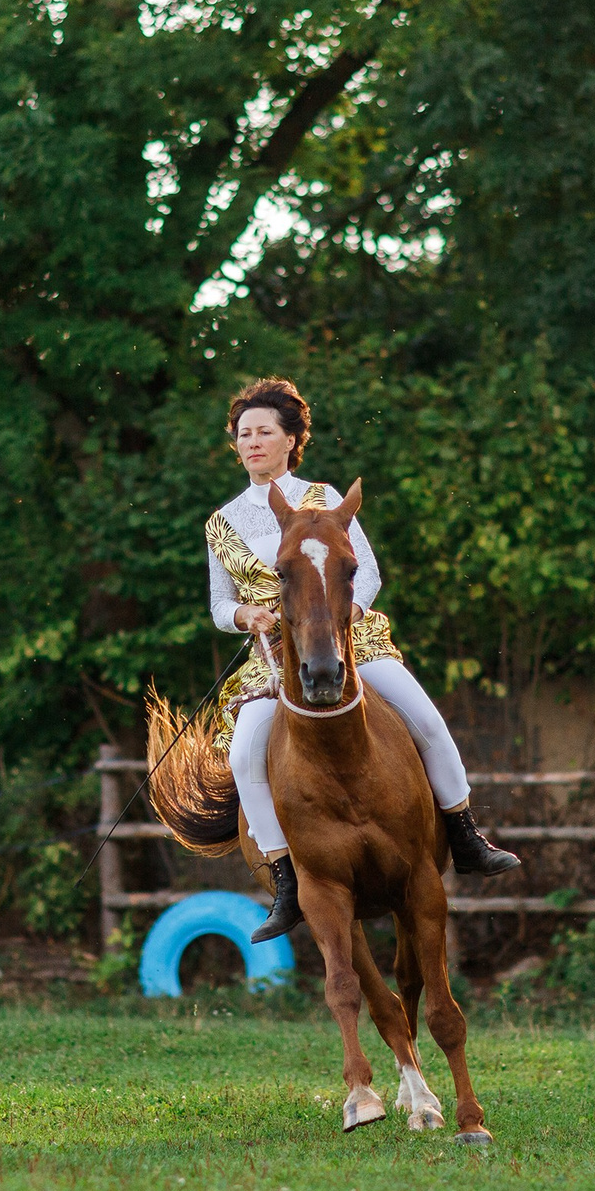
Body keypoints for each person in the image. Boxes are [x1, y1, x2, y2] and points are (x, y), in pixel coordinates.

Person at [205, 378, 521, 943]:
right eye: (243, 434)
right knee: (245, 752)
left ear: (289, 440)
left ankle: (466, 834)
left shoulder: (326, 498)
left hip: (351, 641)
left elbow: (366, 571)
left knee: (426, 720)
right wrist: (244, 615)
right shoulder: (221, 522)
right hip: (275, 657)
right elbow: (219, 604)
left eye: (263, 432)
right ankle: (285, 881)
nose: (251, 442)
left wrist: (342, 618)